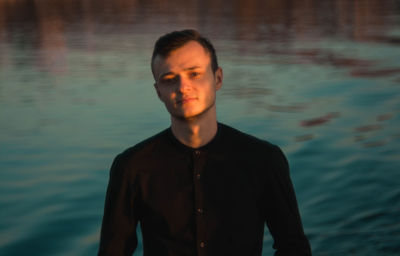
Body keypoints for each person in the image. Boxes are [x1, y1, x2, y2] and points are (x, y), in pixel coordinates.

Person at [98, 29, 312, 256]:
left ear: (217, 78)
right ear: (158, 92)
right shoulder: (132, 167)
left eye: (194, 74)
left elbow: (294, 248)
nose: (183, 87)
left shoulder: (263, 160)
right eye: (169, 80)